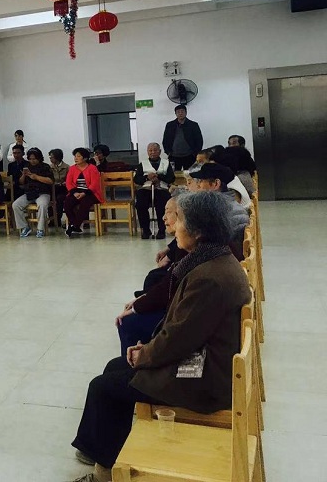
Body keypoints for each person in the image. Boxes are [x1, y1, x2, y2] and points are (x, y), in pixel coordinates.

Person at [69, 191, 250, 482]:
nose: (175, 227)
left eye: (180, 220)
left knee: (103, 387)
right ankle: (103, 450)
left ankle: (105, 473)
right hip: (206, 359)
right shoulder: (213, 260)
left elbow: (179, 339)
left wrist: (145, 354)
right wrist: (149, 348)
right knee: (115, 367)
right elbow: (182, 329)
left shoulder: (209, 277)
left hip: (203, 378)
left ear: (198, 230)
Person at [114, 193, 184, 357]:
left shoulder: (195, 255)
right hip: (176, 311)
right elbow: (170, 283)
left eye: (168, 212)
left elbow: (170, 289)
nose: (163, 217)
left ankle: (133, 364)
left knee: (127, 323)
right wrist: (142, 300)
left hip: (177, 322)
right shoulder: (196, 249)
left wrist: (139, 306)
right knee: (154, 277)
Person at [133, 143, 175, 239]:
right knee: (140, 204)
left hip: (161, 189)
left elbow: (171, 178)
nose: (152, 152)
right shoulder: (142, 164)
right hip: (146, 189)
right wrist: (147, 177)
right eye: (150, 150)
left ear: (159, 151)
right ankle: (146, 230)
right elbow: (136, 179)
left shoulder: (166, 163)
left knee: (162, 205)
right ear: (147, 152)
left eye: (155, 150)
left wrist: (158, 176)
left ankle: (162, 230)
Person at [12, 148, 54, 238]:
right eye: (30, 159)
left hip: (43, 192)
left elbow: (50, 181)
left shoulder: (45, 166)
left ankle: (40, 229)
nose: (32, 161)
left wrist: (36, 177)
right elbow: (21, 182)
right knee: (16, 205)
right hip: (29, 193)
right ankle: (25, 227)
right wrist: (23, 175)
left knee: (42, 205)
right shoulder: (27, 166)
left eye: (34, 159)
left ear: (39, 158)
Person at [63, 148, 104, 237]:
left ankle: (75, 225)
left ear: (85, 158)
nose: (75, 158)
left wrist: (84, 193)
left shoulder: (92, 168)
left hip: (90, 193)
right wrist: (74, 192)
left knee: (85, 203)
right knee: (67, 203)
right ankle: (75, 225)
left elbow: (94, 184)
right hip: (76, 192)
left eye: (78, 156)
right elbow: (68, 183)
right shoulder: (72, 168)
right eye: (75, 156)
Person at [161, 104, 203, 171]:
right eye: (178, 112)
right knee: (174, 174)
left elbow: (199, 140)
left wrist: (195, 153)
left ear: (186, 113)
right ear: (175, 114)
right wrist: (168, 152)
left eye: (182, 111)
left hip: (190, 156)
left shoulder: (193, 125)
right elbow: (165, 140)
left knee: (190, 174)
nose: (180, 113)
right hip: (173, 156)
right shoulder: (170, 125)